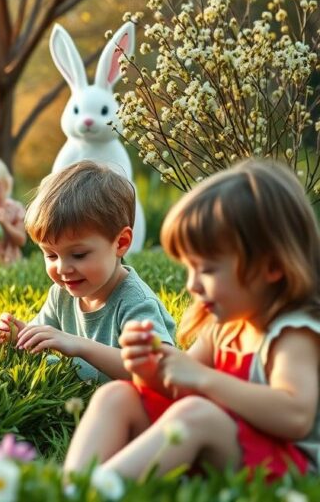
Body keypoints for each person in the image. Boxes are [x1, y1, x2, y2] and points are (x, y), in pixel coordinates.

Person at [64, 160, 320, 481]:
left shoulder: (293, 334)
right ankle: (70, 488)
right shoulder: (223, 328)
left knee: (195, 416)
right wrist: (149, 371)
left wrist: (202, 378)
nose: (193, 285)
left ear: (271, 268)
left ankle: (102, 491)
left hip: (291, 471)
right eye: (190, 269)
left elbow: (295, 416)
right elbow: (179, 389)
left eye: (208, 270)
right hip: (232, 448)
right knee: (117, 394)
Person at [0, 161, 176, 383]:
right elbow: (41, 339)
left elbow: (157, 369)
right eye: (51, 255)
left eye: (78, 255)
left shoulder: (135, 302)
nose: (62, 268)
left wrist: (80, 346)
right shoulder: (61, 295)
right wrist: (17, 335)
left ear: (121, 243)